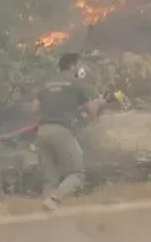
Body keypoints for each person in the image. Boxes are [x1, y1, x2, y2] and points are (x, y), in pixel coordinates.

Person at [32, 52, 115, 212]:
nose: (80, 68)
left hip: (42, 131)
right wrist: (102, 103)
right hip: (62, 131)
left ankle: (46, 220)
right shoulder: (78, 84)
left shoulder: (46, 84)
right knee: (77, 174)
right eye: (79, 65)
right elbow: (92, 112)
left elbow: (35, 109)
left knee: (50, 180)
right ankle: (54, 200)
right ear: (72, 66)